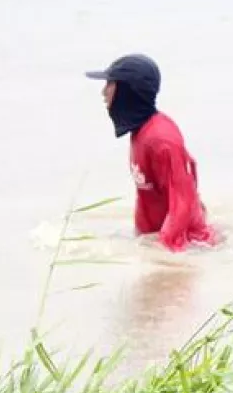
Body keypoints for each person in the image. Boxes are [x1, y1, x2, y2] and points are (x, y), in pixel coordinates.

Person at [85, 54, 219, 253]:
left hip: (187, 247)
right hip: (153, 240)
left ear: (127, 91)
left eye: (109, 84)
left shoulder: (161, 140)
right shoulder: (140, 132)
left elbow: (183, 201)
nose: (103, 93)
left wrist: (165, 258)